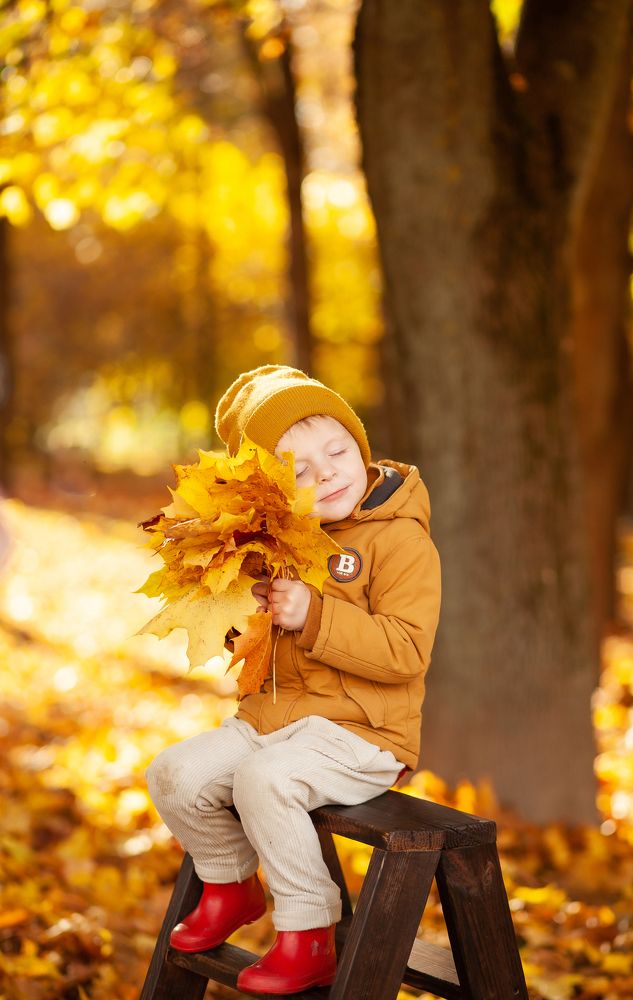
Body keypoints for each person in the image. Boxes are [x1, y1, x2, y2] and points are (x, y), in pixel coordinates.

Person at [146, 365, 441, 995]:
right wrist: (241, 612)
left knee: (263, 780)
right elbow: (248, 649)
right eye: (299, 471)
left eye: (337, 452)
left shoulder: (400, 541)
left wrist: (316, 615)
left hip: (364, 733)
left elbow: (408, 650)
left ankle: (308, 934)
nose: (327, 472)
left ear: (360, 450)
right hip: (274, 723)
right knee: (174, 774)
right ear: (273, 491)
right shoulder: (275, 540)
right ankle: (229, 883)